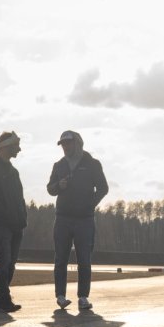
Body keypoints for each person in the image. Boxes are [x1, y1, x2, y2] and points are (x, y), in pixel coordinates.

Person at [47, 129, 109, 310]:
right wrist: (59, 185)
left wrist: (90, 204)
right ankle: (60, 296)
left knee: (84, 260)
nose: (65, 147)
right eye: (63, 144)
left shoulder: (92, 164)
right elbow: (50, 189)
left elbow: (103, 188)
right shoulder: (58, 165)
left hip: (85, 219)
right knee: (60, 259)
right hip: (63, 218)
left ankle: (83, 297)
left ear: (78, 144)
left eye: (68, 143)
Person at [0, 131, 27, 313]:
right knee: (4, 260)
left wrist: (22, 218)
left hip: (17, 224)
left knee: (11, 263)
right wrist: (7, 218)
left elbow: (20, 198)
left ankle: (0, 299)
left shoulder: (14, 171)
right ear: (7, 146)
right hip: (2, 224)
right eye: (16, 145)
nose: (19, 149)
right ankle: (4, 299)